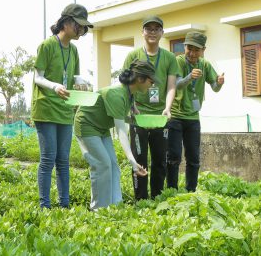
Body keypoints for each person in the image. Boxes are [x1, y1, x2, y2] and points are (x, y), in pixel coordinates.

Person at [31, 3, 93, 209]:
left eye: (84, 27)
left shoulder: (74, 50)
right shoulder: (47, 45)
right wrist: (54, 86)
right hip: (46, 108)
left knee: (63, 160)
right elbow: (38, 77)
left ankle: (64, 205)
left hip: (64, 109)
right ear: (66, 22)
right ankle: (44, 206)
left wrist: (82, 85)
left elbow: (73, 77)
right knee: (48, 158)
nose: (82, 30)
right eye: (79, 25)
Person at [74, 60, 158, 210]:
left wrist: (135, 112)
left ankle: (115, 207)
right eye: (151, 82)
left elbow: (123, 114)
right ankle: (98, 209)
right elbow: (121, 132)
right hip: (87, 125)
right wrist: (133, 162)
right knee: (102, 164)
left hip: (101, 128)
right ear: (140, 79)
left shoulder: (129, 94)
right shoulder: (117, 94)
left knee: (113, 165)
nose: (151, 86)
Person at [122, 15, 178, 200]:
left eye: (156, 29)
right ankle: (140, 199)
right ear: (143, 32)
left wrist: (167, 108)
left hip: (160, 117)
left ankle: (157, 198)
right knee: (139, 159)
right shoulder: (133, 56)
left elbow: (171, 86)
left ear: (162, 32)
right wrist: (132, 106)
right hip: (138, 116)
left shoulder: (170, 57)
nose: (152, 32)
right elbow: (125, 84)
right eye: (149, 29)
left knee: (160, 161)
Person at [167, 31, 224, 192]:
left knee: (193, 158)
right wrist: (190, 77)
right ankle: (171, 190)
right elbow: (177, 84)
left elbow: (215, 87)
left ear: (203, 50)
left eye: (196, 50)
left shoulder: (205, 64)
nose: (192, 53)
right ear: (184, 47)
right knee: (173, 157)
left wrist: (219, 82)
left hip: (193, 118)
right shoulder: (177, 61)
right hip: (175, 116)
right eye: (189, 48)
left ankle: (190, 191)